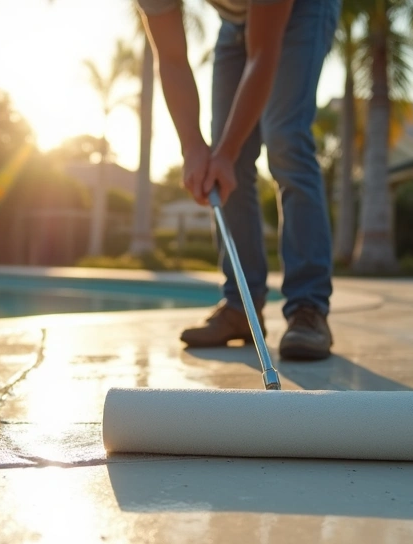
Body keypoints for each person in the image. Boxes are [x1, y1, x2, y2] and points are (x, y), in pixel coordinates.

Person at [137, 0, 340, 361]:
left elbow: (262, 55)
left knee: (285, 140)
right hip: (235, 21)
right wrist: (193, 149)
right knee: (223, 160)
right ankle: (241, 308)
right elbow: (170, 58)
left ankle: (308, 310)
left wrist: (226, 153)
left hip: (304, 9)